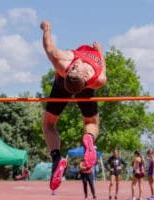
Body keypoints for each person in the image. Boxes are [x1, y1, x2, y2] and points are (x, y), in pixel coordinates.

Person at [40, 20, 107, 191]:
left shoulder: (64, 63)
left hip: (61, 84)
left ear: (69, 70)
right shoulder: (98, 80)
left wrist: (46, 29)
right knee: (91, 123)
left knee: (49, 124)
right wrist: (99, 51)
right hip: (86, 86)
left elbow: (49, 47)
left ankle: (56, 158)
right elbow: (103, 68)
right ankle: (89, 139)